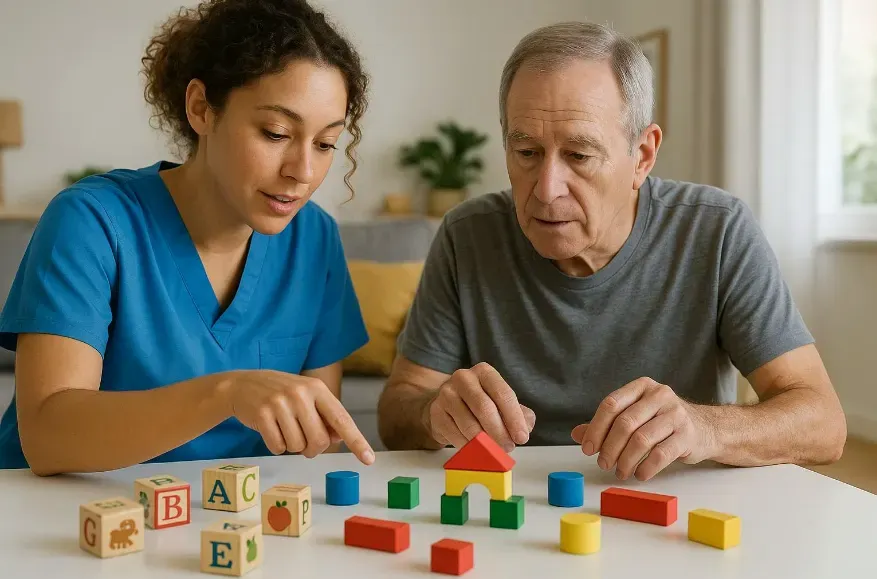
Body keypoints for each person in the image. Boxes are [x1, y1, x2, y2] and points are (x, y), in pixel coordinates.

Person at [377, 22, 847, 481]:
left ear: (642, 155)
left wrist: (704, 427)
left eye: (579, 156)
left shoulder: (717, 230)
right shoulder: (467, 234)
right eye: (526, 153)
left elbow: (823, 424)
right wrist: (433, 414)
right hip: (513, 505)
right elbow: (398, 410)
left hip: (668, 499)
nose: (546, 189)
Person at [0, 0, 377, 475]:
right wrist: (227, 393)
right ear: (201, 108)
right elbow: (46, 436)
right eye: (276, 132)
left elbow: (315, 441)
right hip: (66, 519)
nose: (303, 172)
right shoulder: (93, 220)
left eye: (325, 144)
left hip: (230, 526)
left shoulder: (314, 237)